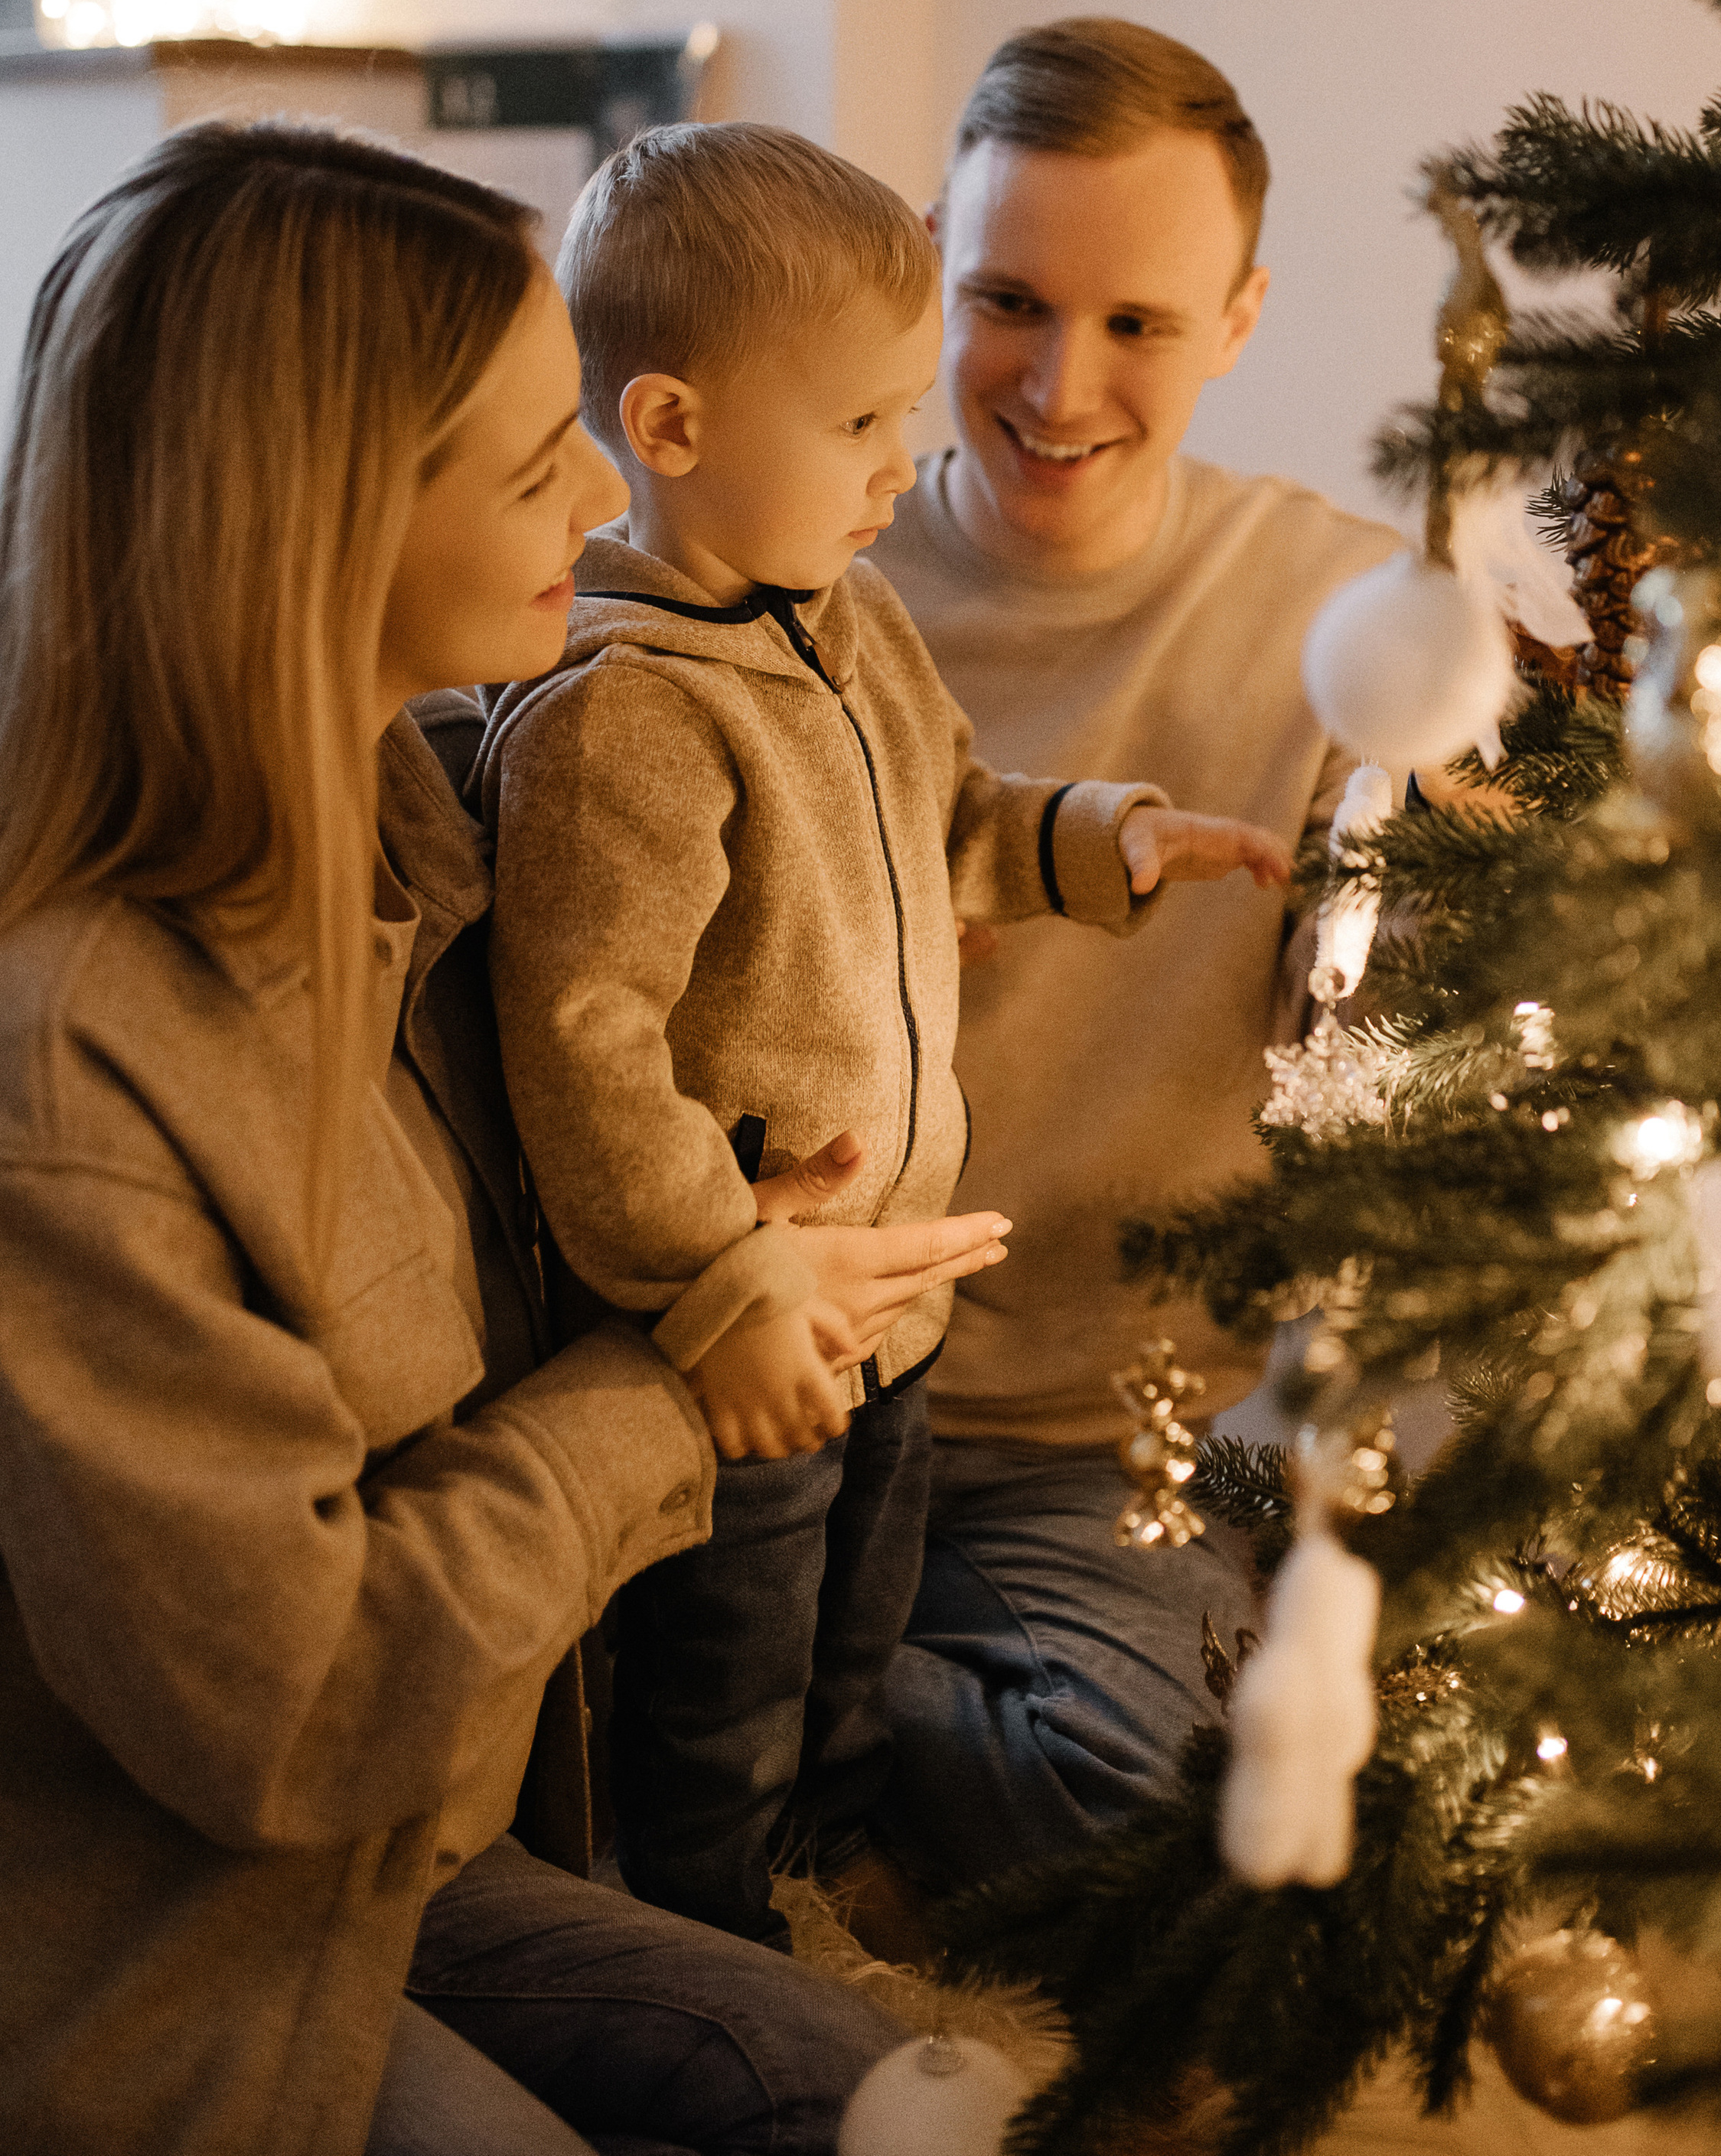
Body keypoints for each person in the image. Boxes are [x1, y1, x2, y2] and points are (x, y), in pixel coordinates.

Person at [0, 119, 919, 2156]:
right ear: (310, 531)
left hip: (434, 1860)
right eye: (528, 465)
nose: (604, 488)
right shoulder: (74, 1074)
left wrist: (738, 1239)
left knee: (899, 2102)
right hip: (187, 1952)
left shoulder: (426, 838)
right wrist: (674, 1391)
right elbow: (298, 1713)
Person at [471, 121, 1292, 1949]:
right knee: (725, 1676)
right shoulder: (623, 715)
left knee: (846, 1637)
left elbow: (952, 815)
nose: (896, 464)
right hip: (746, 1321)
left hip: (889, 1311)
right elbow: (584, 1050)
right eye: (856, 423)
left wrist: (1100, 840)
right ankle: (711, 1930)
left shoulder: (851, 624)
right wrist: (713, 1289)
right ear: (670, 428)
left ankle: (837, 1859)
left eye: (899, 414)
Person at [870, 18, 1404, 1896]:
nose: (1057, 384)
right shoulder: (773, 573)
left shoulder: (1354, 623)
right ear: (929, 258)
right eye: (1006, 301)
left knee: (1154, 1818)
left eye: (1137, 325)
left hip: (1095, 1444)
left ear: (1238, 320)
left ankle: (815, 1733)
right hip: (749, 1391)